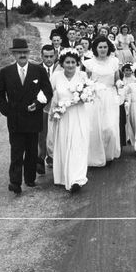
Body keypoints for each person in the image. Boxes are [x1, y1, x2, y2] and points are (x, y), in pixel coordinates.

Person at [0, 38, 54, 194]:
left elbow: (48, 91)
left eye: (24, 52)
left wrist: (38, 104)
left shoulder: (38, 71)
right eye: (18, 52)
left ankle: (29, 178)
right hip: (15, 119)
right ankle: (15, 182)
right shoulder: (5, 72)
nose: (22, 55)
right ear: (14, 54)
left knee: (32, 150)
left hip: (33, 117)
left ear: (28, 53)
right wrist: (7, 110)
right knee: (16, 152)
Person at [49, 49, 91, 193]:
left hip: (78, 114)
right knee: (64, 143)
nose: (70, 65)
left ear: (77, 63)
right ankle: (62, 176)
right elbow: (49, 93)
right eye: (67, 62)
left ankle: (77, 179)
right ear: (62, 63)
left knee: (78, 145)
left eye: (73, 62)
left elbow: (90, 93)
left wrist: (84, 97)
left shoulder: (82, 75)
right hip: (63, 116)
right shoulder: (56, 76)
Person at [83, 36, 121, 165]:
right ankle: (96, 156)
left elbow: (117, 79)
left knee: (109, 128)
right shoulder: (90, 63)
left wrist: (121, 84)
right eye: (100, 47)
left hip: (110, 97)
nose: (103, 49)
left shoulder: (114, 61)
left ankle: (108, 154)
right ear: (96, 48)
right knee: (95, 128)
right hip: (95, 98)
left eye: (105, 47)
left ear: (108, 47)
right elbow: (86, 81)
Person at [38, 44, 61, 172]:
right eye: (46, 56)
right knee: (42, 133)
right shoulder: (36, 69)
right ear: (41, 56)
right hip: (42, 107)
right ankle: (41, 158)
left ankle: (52, 156)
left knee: (55, 132)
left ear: (55, 56)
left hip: (56, 106)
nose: (49, 59)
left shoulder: (60, 69)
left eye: (51, 56)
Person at [117, 62, 136, 144]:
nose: (128, 72)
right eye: (126, 70)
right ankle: (126, 136)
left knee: (131, 117)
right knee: (125, 118)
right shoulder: (122, 79)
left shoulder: (134, 79)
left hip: (131, 98)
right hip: (124, 98)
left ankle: (131, 135)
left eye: (130, 70)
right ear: (123, 71)